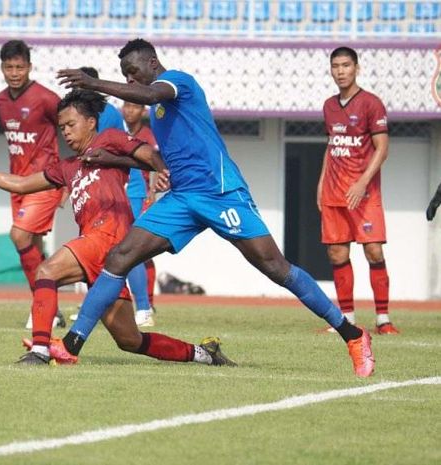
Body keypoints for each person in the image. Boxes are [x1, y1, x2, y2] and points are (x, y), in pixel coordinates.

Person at [55, 38, 375, 377]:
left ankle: (353, 335)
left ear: (152, 62)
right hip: (182, 198)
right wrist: (115, 158)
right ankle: (71, 345)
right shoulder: (159, 109)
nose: (131, 81)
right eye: (125, 75)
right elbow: (167, 158)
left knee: (274, 267)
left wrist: (93, 83)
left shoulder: (177, 82)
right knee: (120, 256)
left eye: (133, 72)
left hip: (220, 192)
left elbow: (148, 95)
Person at [0, 89, 235, 367]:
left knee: (46, 270)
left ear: (91, 122)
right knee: (130, 340)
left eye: (71, 124)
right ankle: (203, 354)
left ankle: (39, 351)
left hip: (107, 237)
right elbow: (20, 183)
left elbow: (144, 152)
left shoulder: (108, 139)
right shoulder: (67, 166)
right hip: (100, 252)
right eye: (62, 127)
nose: (66, 132)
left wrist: (162, 170)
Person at [318, 46, 398, 335]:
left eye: (346, 65)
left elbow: (382, 148)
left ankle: (383, 319)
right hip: (334, 193)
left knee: (374, 252)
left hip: (364, 194)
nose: (340, 71)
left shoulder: (371, 103)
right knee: (337, 255)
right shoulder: (328, 106)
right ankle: (347, 318)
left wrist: (363, 182)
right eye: (335, 66)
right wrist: (320, 184)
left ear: (356, 68)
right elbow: (332, 147)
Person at [0, 39, 65, 329]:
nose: (14, 72)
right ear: (2, 68)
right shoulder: (0, 101)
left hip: (44, 181)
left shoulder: (46, 98)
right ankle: (51, 310)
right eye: (9, 67)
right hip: (17, 185)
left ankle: (41, 306)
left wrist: (68, 178)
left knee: (19, 236)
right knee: (32, 244)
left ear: (29, 67)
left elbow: (73, 126)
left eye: (19, 67)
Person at [76, 66, 155, 327]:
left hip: (124, 186)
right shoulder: (94, 112)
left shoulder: (104, 113)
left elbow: (103, 152)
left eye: (82, 87)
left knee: (126, 248)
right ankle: (97, 304)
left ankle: (143, 307)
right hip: (105, 187)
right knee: (103, 247)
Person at [122, 100, 159, 324]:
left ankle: (146, 305)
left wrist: (152, 194)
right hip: (124, 192)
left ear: (143, 111)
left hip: (139, 195)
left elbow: (155, 163)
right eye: (126, 106)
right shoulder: (119, 129)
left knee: (136, 251)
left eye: (134, 107)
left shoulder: (148, 135)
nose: (129, 110)